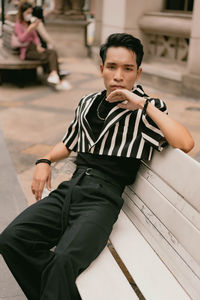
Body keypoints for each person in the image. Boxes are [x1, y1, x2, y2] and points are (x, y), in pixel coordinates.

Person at [0, 33, 194, 300]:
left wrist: (142, 103)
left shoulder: (147, 109)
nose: (118, 75)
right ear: (101, 68)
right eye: (112, 67)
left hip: (102, 199)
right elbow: (69, 143)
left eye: (127, 69)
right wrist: (44, 160)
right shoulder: (87, 103)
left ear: (138, 73)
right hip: (69, 190)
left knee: (63, 261)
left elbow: (185, 143)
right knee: (12, 239)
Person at [14, 1, 71, 90]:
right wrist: (29, 30)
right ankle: (55, 77)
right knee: (50, 57)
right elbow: (21, 39)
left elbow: (35, 37)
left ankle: (54, 74)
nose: (29, 15)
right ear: (22, 13)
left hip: (34, 48)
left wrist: (38, 45)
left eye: (30, 13)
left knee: (52, 52)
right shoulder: (18, 25)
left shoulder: (30, 22)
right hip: (27, 51)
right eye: (27, 13)